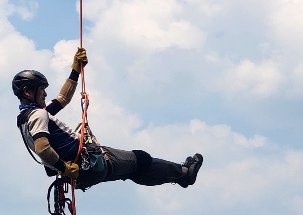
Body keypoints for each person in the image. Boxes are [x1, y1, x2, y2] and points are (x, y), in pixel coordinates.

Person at [13, 50, 203, 191]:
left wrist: (75, 70)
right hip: (87, 163)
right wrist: (65, 167)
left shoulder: (27, 118)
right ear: (28, 92)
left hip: (82, 171)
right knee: (141, 159)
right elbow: (42, 148)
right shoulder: (38, 115)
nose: (45, 93)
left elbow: (62, 99)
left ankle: (181, 175)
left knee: (133, 170)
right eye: (40, 89)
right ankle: (184, 173)